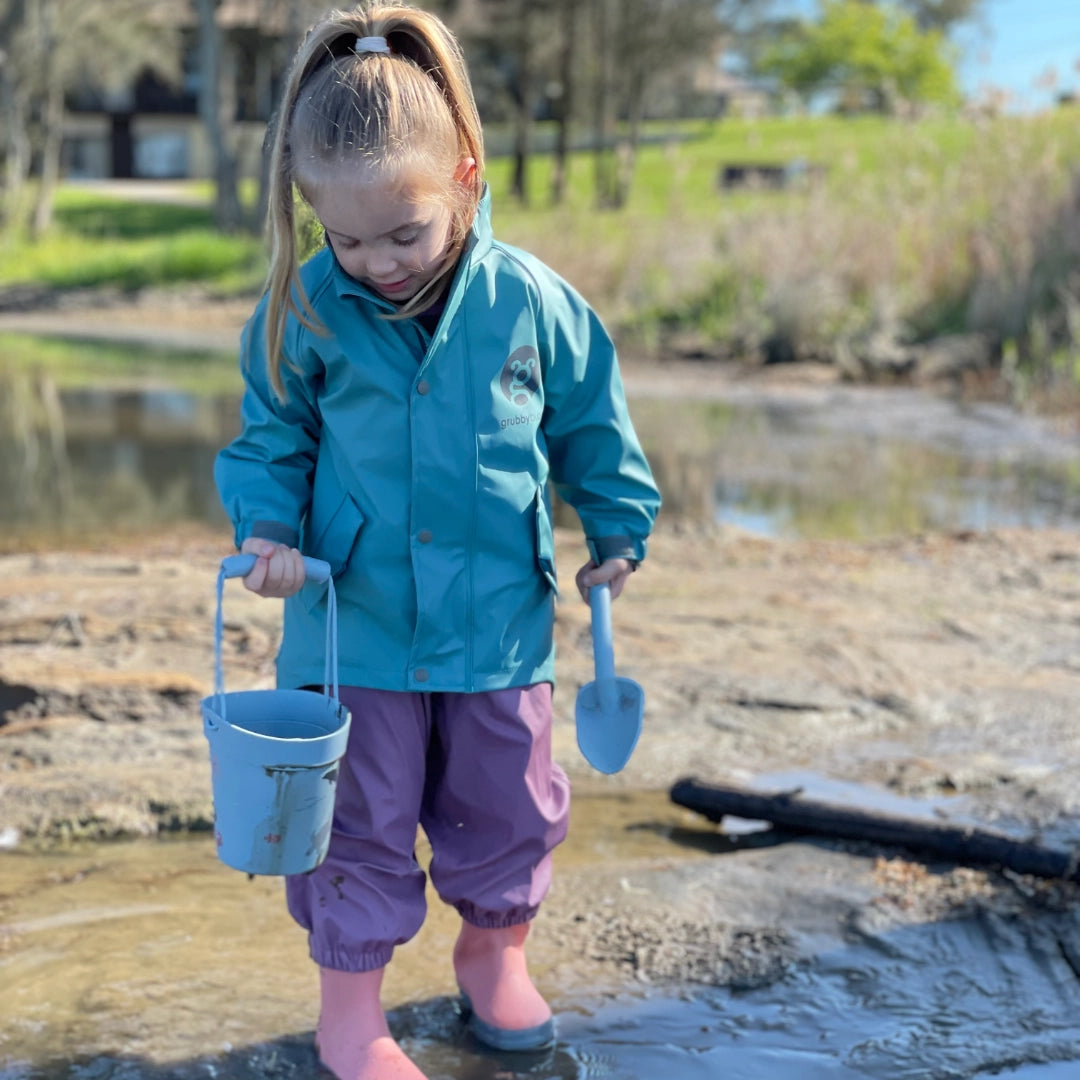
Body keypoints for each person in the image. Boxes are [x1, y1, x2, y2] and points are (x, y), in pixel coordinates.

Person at [213, 4, 661, 1078]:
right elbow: (270, 440)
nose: (374, 261)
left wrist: (616, 523)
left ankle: (492, 955)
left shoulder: (534, 303)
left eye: (401, 233)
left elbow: (592, 421)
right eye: (346, 236)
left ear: (463, 177)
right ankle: (351, 1013)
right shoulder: (305, 311)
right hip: (350, 626)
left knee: (508, 801)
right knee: (358, 819)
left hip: (500, 622)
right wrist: (268, 534)